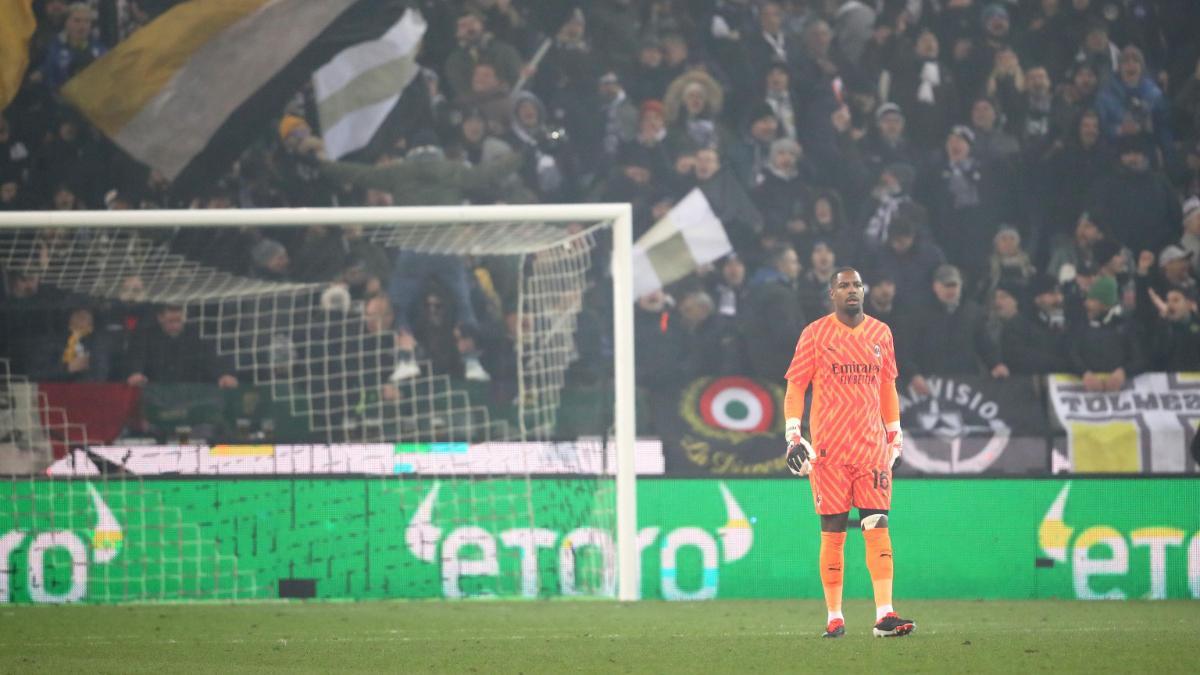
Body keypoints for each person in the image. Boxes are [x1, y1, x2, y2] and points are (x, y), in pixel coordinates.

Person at [782, 267, 914, 639]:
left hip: (871, 448)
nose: (852, 290)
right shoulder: (815, 334)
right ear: (832, 294)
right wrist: (794, 435)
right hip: (828, 452)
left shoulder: (880, 334)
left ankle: (885, 614)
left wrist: (895, 434)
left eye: (856, 285)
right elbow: (796, 386)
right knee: (834, 533)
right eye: (844, 286)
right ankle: (835, 616)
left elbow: (887, 386)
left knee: (877, 526)